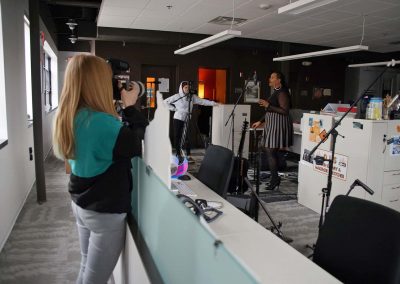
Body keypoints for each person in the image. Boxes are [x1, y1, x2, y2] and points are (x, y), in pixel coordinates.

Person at [52, 54, 148, 284]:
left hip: (81, 204)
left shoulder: (72, 115)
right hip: (104, 214)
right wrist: (131, 107)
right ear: (97, 83)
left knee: (86, 266)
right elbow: (137, 144)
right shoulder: (102, 124)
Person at [252, 71, 293, 190]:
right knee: (269, 150)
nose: (269, 79)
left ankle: (275, 178)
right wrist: (260, 121)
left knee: (270, 150)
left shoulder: (282, 92)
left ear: (279, 80)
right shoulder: (276, 91)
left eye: (272, 77)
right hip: (272, 124)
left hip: (278, 125)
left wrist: (267, 105)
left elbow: (285, 111)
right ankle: (275, 177)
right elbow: (270, 110)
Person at [164, 81, 218, 162]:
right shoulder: (177, 96)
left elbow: (203, 101)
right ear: (182, 88)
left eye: (188, 88)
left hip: (187, 118)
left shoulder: (192, 97)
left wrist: (214, 103)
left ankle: (188, 154)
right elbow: (165, 102)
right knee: (177, 136)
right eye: (185, 87)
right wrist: (174, 109)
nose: (187, 89)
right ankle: (178, 153)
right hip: (178, 118)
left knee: (187, 136)